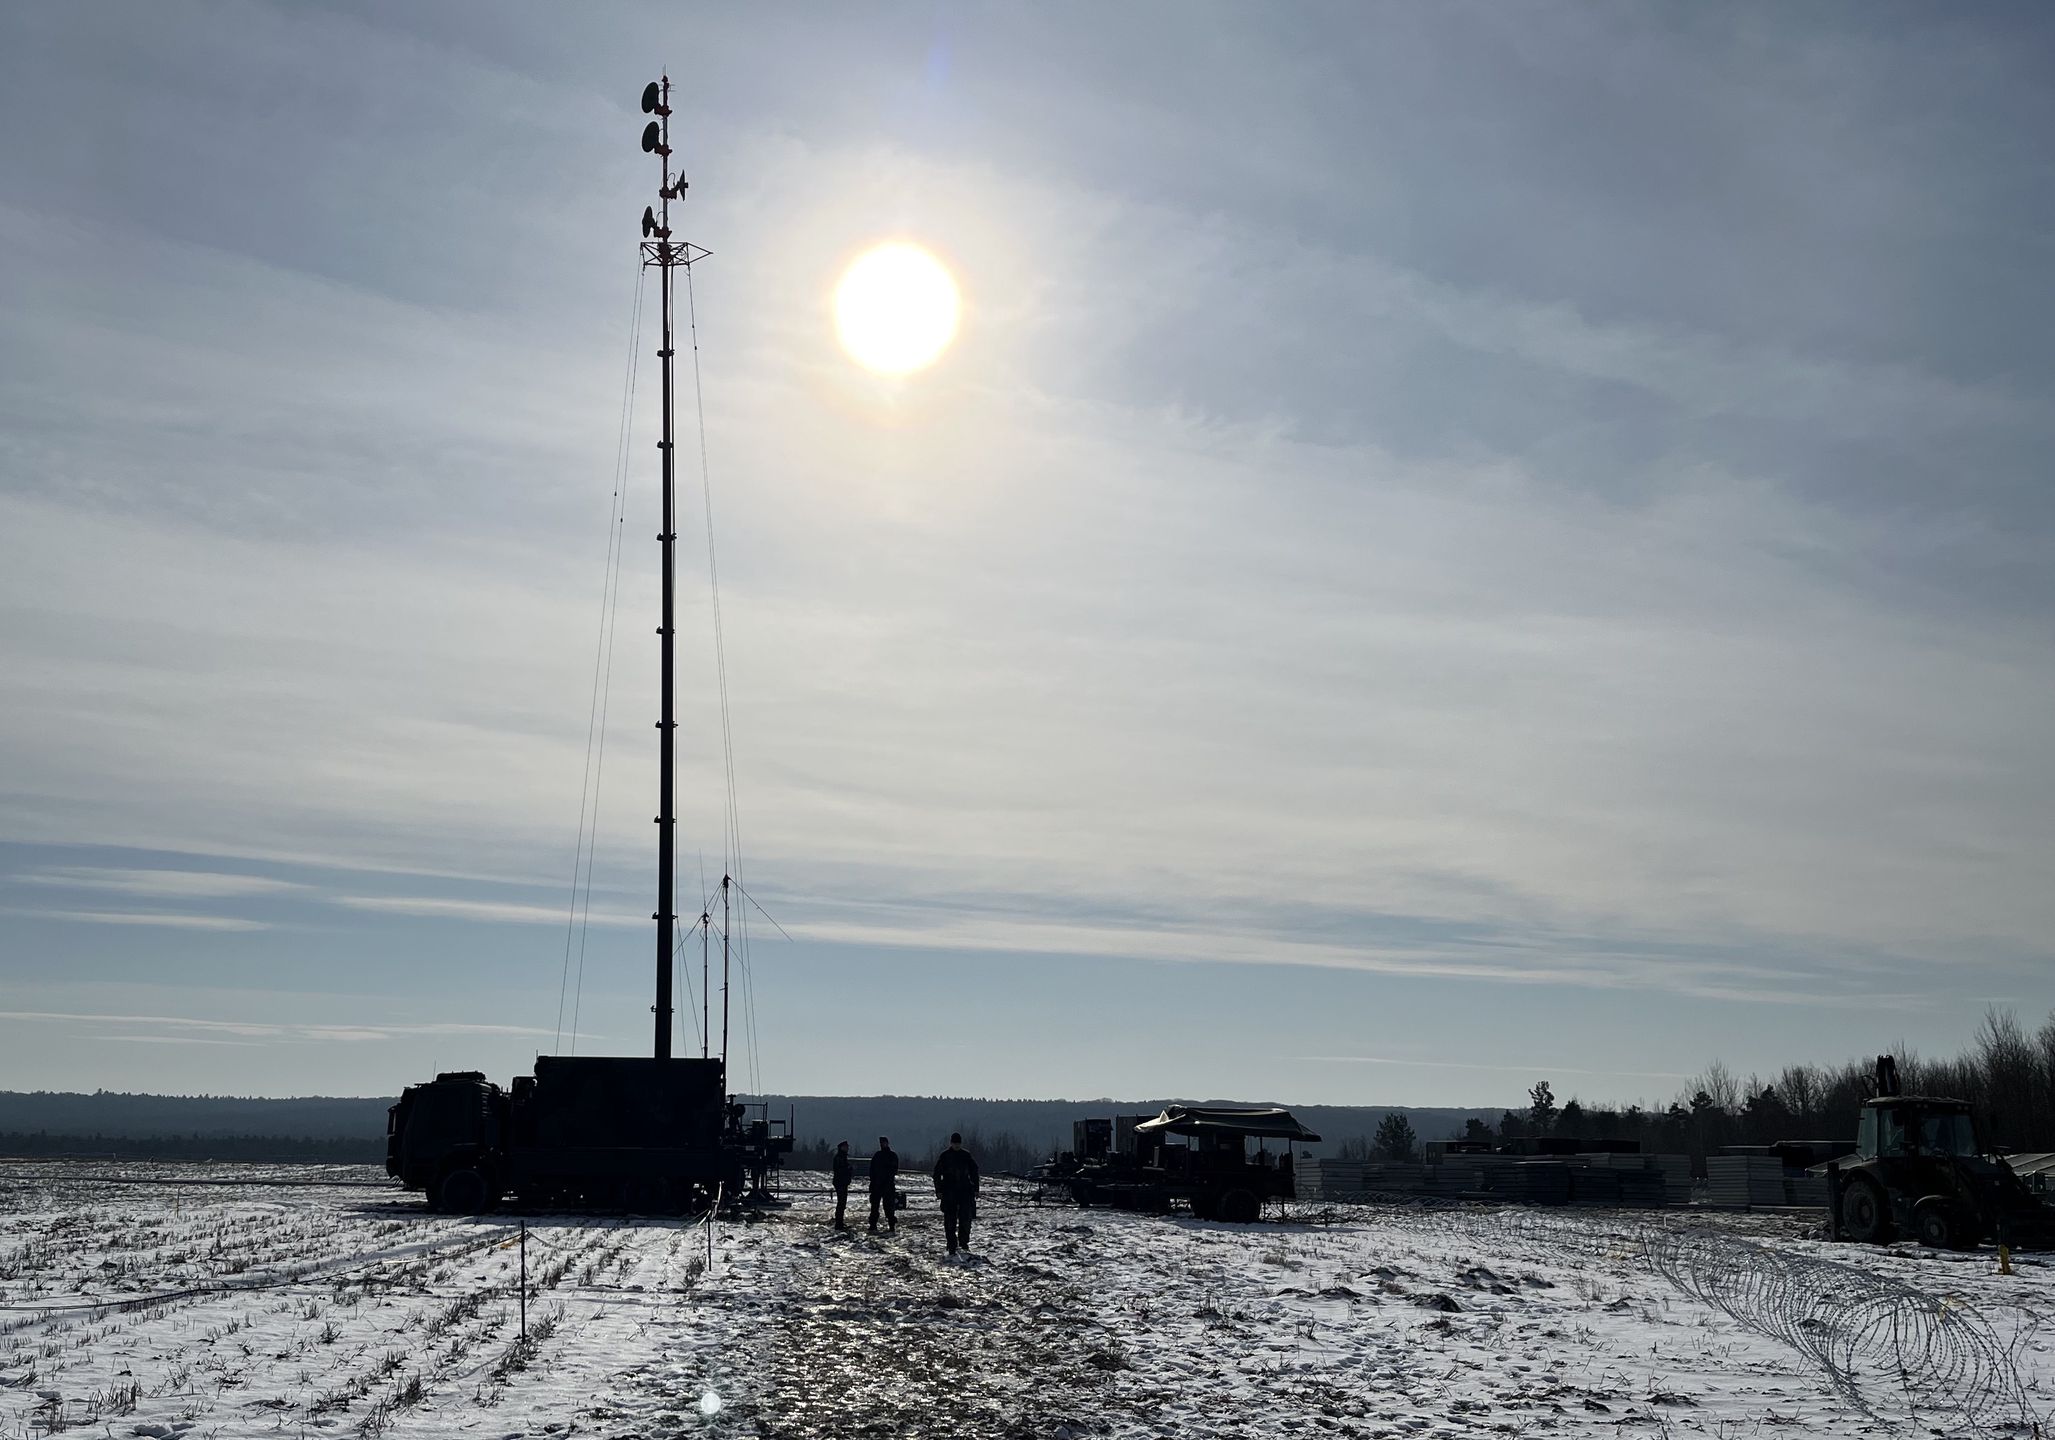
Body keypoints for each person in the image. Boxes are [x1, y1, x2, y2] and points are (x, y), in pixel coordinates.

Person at [932, 1131, 980, 1256]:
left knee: (965, 1219)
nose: (956, 1146)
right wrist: (938, 1190)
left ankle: (964, 1243)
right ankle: (951, 1244)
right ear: (951, 1143)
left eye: (958, 1143)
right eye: (955, 1143)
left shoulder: (966, 1155)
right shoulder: (945, 1156)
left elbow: (974, 1172)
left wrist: (976, 1189)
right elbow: (936, 1174)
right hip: (949, 1191)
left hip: (964, 1191)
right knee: (949, 1220)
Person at [867, 1136, 900, 1233]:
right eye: (881, 1143)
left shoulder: (892, 1156)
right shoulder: (877, 1156)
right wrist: (873, 1182)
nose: (882, 1144)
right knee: (874, 1207)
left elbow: (893, 1170)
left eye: (884, 1142)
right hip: (877, 1185)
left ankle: (891, 1225)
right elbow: (872, 1171)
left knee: (889, 1207)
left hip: (887, 1185)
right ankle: (873, 1225)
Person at [830, 1140, 853, 1230]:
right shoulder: (839, 1158)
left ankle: (840, 1222)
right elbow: (840, 1170)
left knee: (842, 1203)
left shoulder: (842, 1157)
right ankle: (839, 1223)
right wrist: (848, 1169)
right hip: (840, 1182)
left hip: (842, 1182)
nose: (847, 1148)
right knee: (841, 1203)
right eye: (846, 1147)